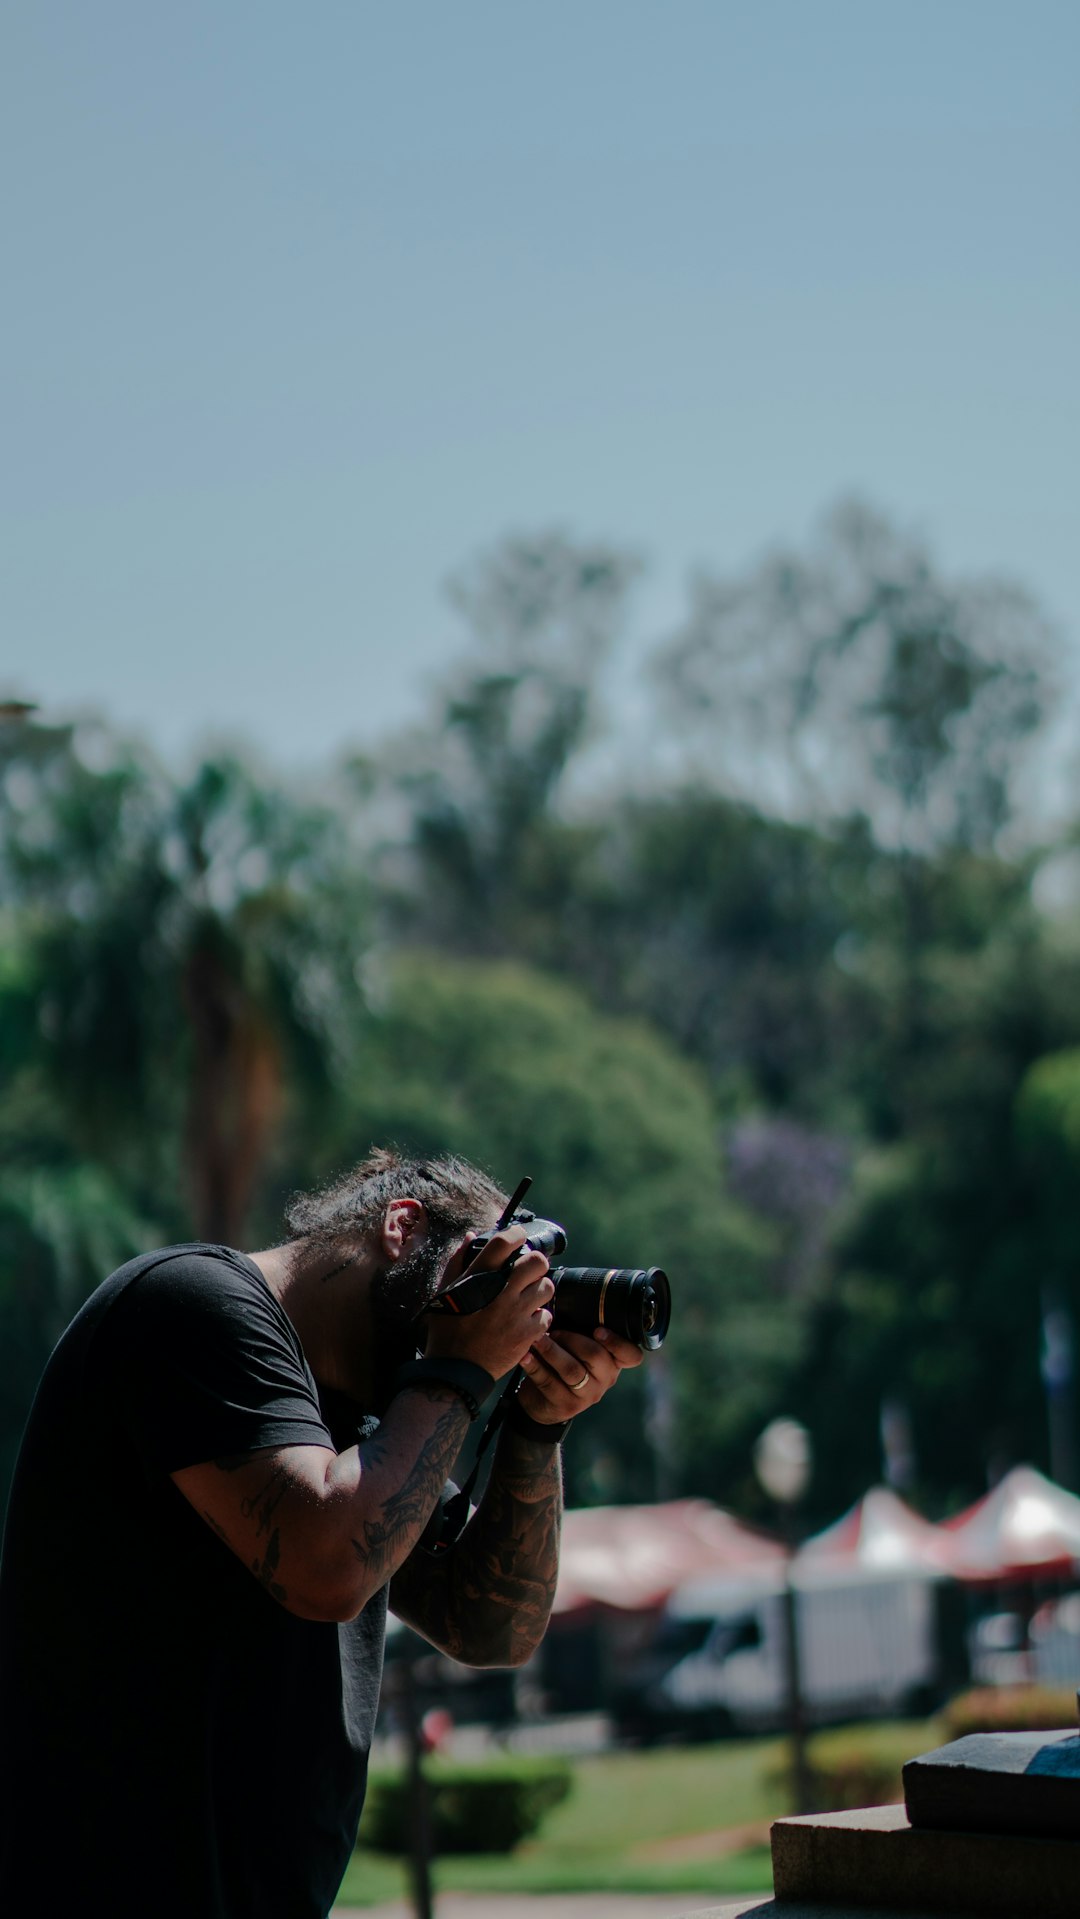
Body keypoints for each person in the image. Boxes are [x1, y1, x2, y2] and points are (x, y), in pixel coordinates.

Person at [0, 1147, 641, 1918]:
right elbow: (327, 1567)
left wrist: (536, 1424)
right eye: (482, 1273)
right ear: (403, 1227)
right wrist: (461, 1367)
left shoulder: (359, 1424)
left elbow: (491, 1625)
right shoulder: (190, 1303)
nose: (495, 1317)